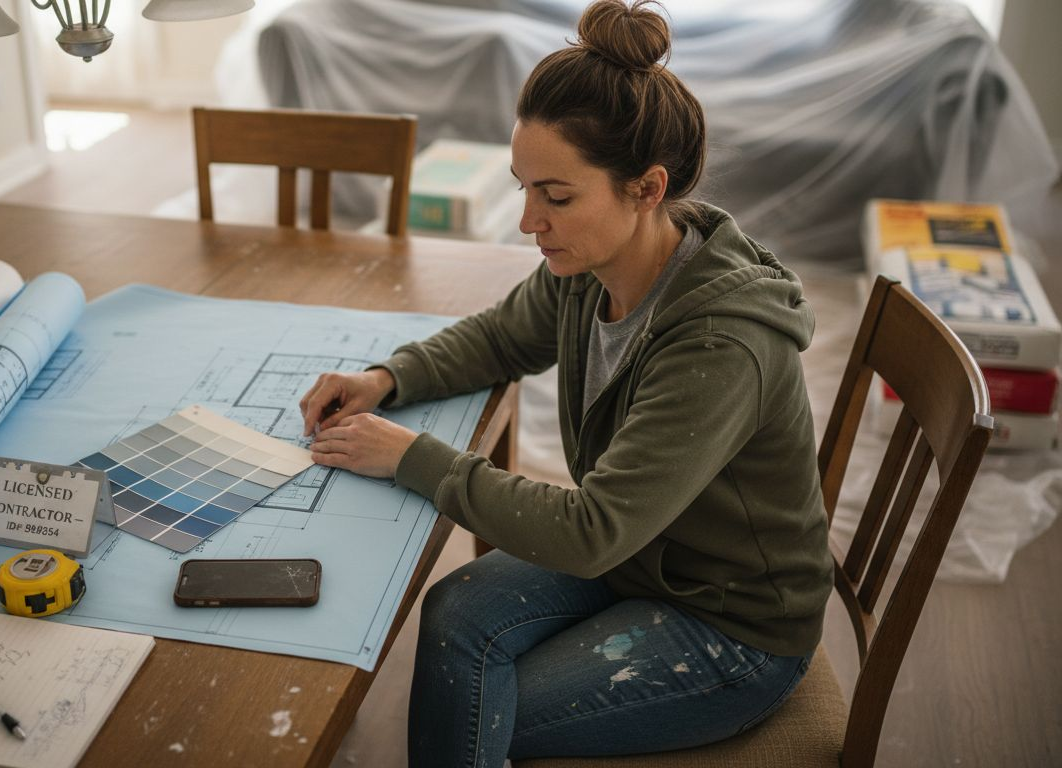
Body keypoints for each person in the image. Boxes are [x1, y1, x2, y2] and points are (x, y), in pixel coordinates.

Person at [298, 1, 832, 764]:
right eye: (524, 188)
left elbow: (590, 533)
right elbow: (501, 336)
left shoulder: (721, 342)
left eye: (556, 196)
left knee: (466, 705)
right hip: (644, 557)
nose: (528, 221)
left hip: (732, 627)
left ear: (647, 189)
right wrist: (388, 376)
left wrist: (410, 457)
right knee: (454, 609)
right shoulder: (594, 264)